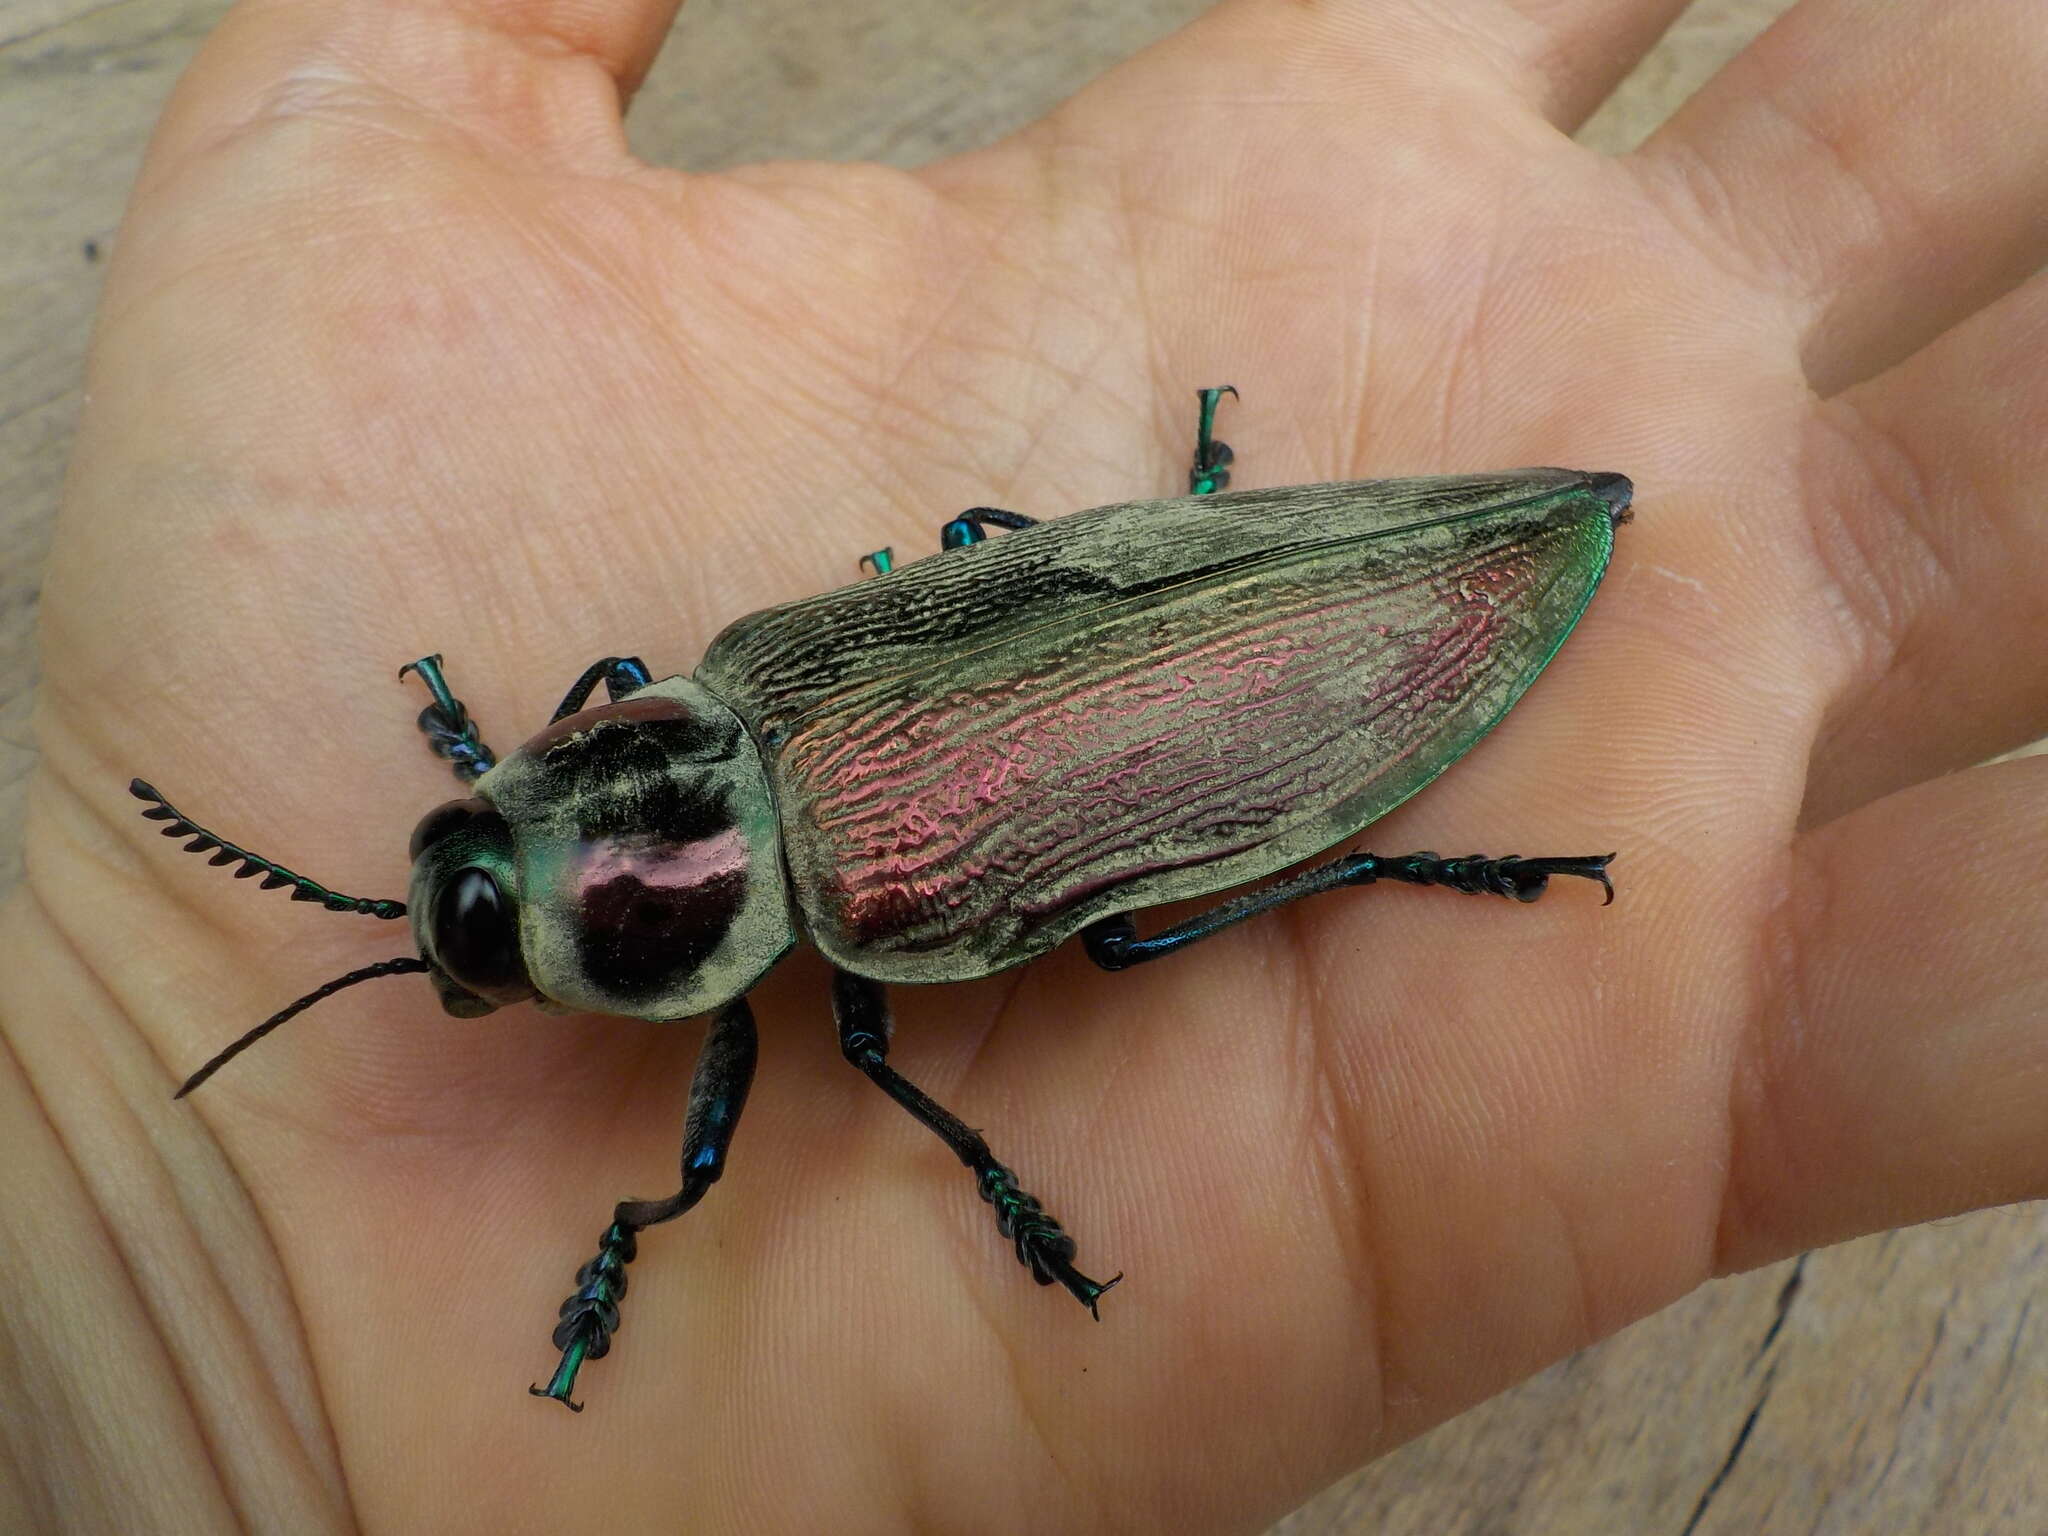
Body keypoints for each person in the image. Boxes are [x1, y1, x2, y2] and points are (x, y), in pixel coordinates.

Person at [2, 0, 2042, 1527]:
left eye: (485, 846)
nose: (492, 902)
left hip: (1313, 642)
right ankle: (1389, 840)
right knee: (1027, 642)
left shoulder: (766, 744)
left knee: (1097, 884)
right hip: (1242, 662)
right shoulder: (735, 675)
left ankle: (1391, 860)